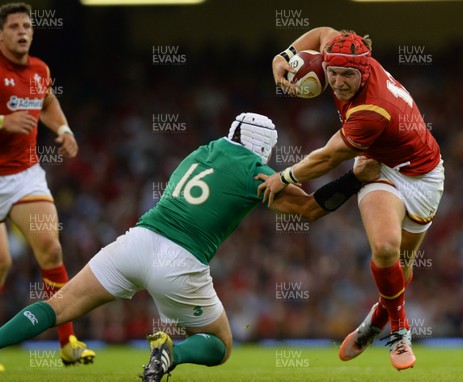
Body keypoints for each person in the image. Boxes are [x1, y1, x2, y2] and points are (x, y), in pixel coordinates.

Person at [0, 112, 380, 382]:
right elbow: (312, 209)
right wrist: (353, 179)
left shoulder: (201, 151)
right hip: (179, 262)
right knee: (220, 344)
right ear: (264, 148)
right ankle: (172, 353)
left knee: (58, 306)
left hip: (137, 241)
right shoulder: (255, 170)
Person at [260, 27, 444, 371]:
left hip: (423, 176)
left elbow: (328, 159)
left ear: (365, 68)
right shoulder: (343, 51)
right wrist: (283, 56)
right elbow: (322, 32)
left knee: (402, 267)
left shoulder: (373, 110)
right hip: (378, 168)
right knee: (387, 248)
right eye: (333, 72)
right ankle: (401, 331)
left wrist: (284, 176)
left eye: (348, 75)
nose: (339, 82)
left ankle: (376, 320)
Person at [0, 2, 94, 366]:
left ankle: (68, 342)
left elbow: (48, 102)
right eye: (14, 27)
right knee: (2, 263)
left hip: (24, 175)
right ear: (2, 33)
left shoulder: (39, 70)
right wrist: (4, 123)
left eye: (27, 26)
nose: (22, 31)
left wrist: (65, 129)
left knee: (51, 250)